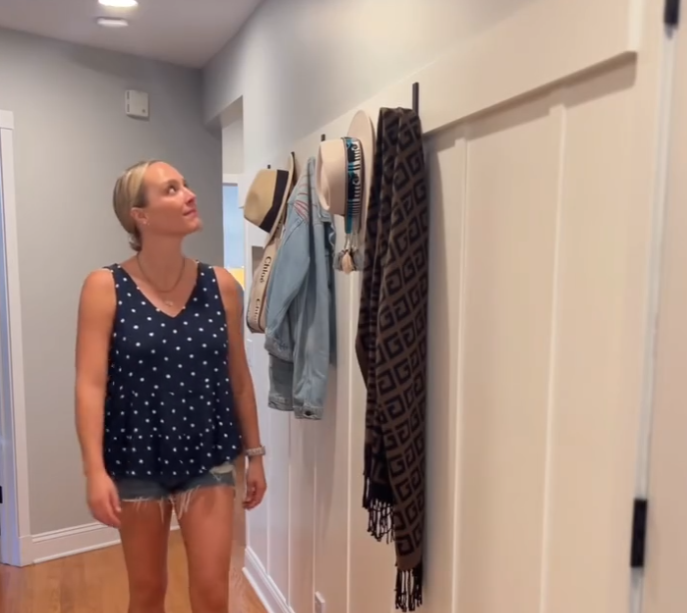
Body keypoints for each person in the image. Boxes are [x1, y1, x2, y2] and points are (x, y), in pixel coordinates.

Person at [74, 160, 266, 613]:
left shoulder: (222, 285)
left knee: (212, 590)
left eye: (186, 184)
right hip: (136, 459)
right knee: (147, 591)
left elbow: (238, 378)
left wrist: (255, 456)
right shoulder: (105, 287)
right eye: (172, 189)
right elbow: (90, 385)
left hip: (209, 455)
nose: (189, 194)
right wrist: (94, 471)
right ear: (139, 215)